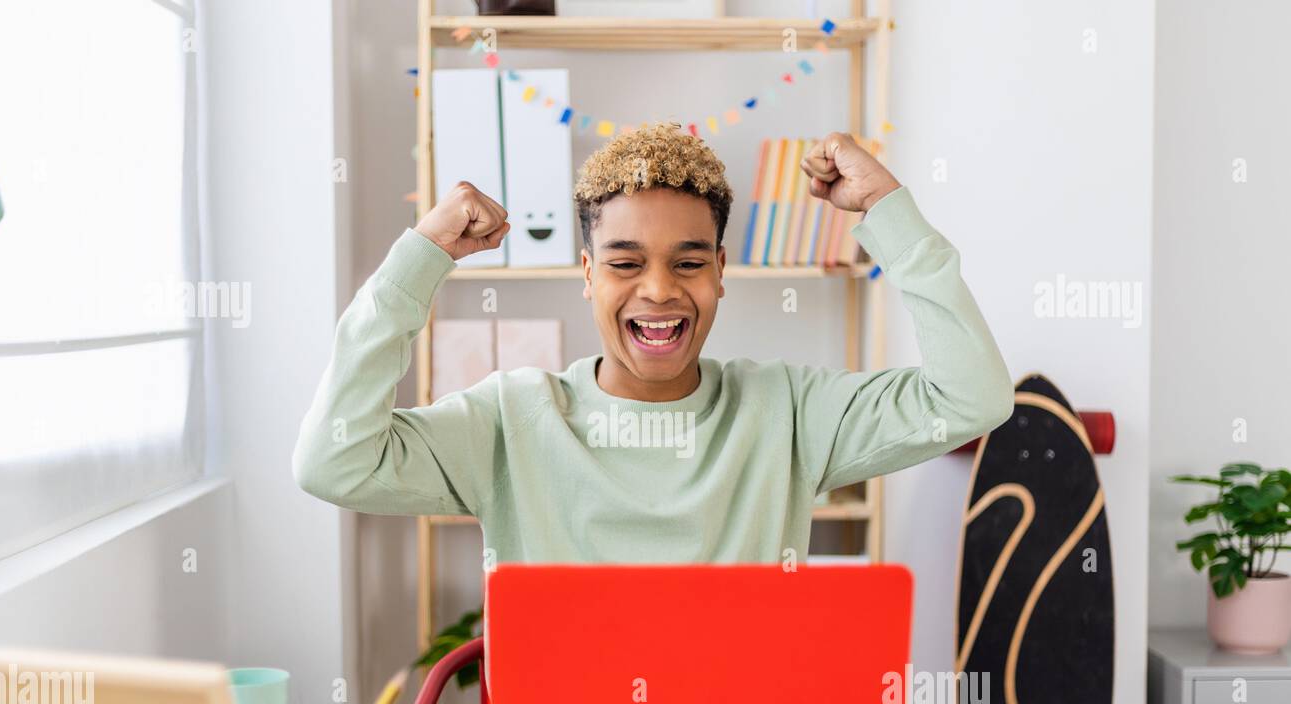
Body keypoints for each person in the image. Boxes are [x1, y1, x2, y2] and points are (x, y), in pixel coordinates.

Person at [294, 122, 1013, 563]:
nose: (661, 290)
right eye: (626, 263)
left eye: (690, 262)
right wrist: (420, 257)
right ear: (588, 274)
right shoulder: (510, 419)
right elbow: (334, 464)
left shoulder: (789, 411)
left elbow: (972, 397)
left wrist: (890, 213)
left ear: (721, 273)